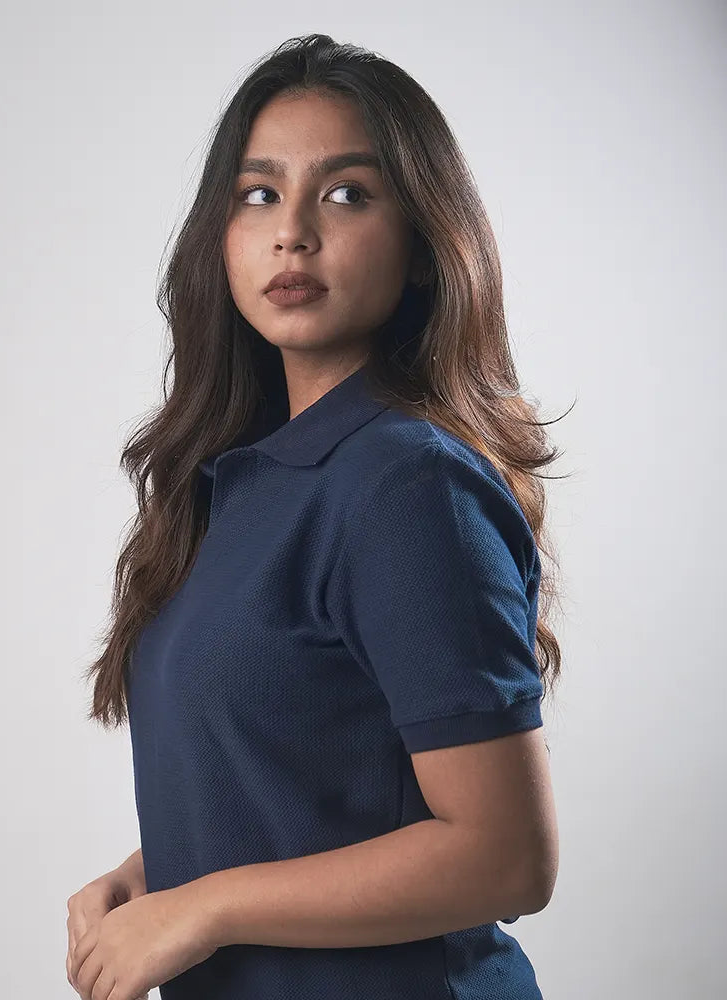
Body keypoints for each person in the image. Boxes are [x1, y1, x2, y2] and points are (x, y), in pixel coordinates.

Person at [67, 32, 562, 1000]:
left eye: (346, 193)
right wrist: (154, 874)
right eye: (258, 194)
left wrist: (205, 906)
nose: (291, 232)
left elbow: (505, 857)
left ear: (422, 245)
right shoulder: (244, 478)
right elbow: (304, 778)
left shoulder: (408, 483)